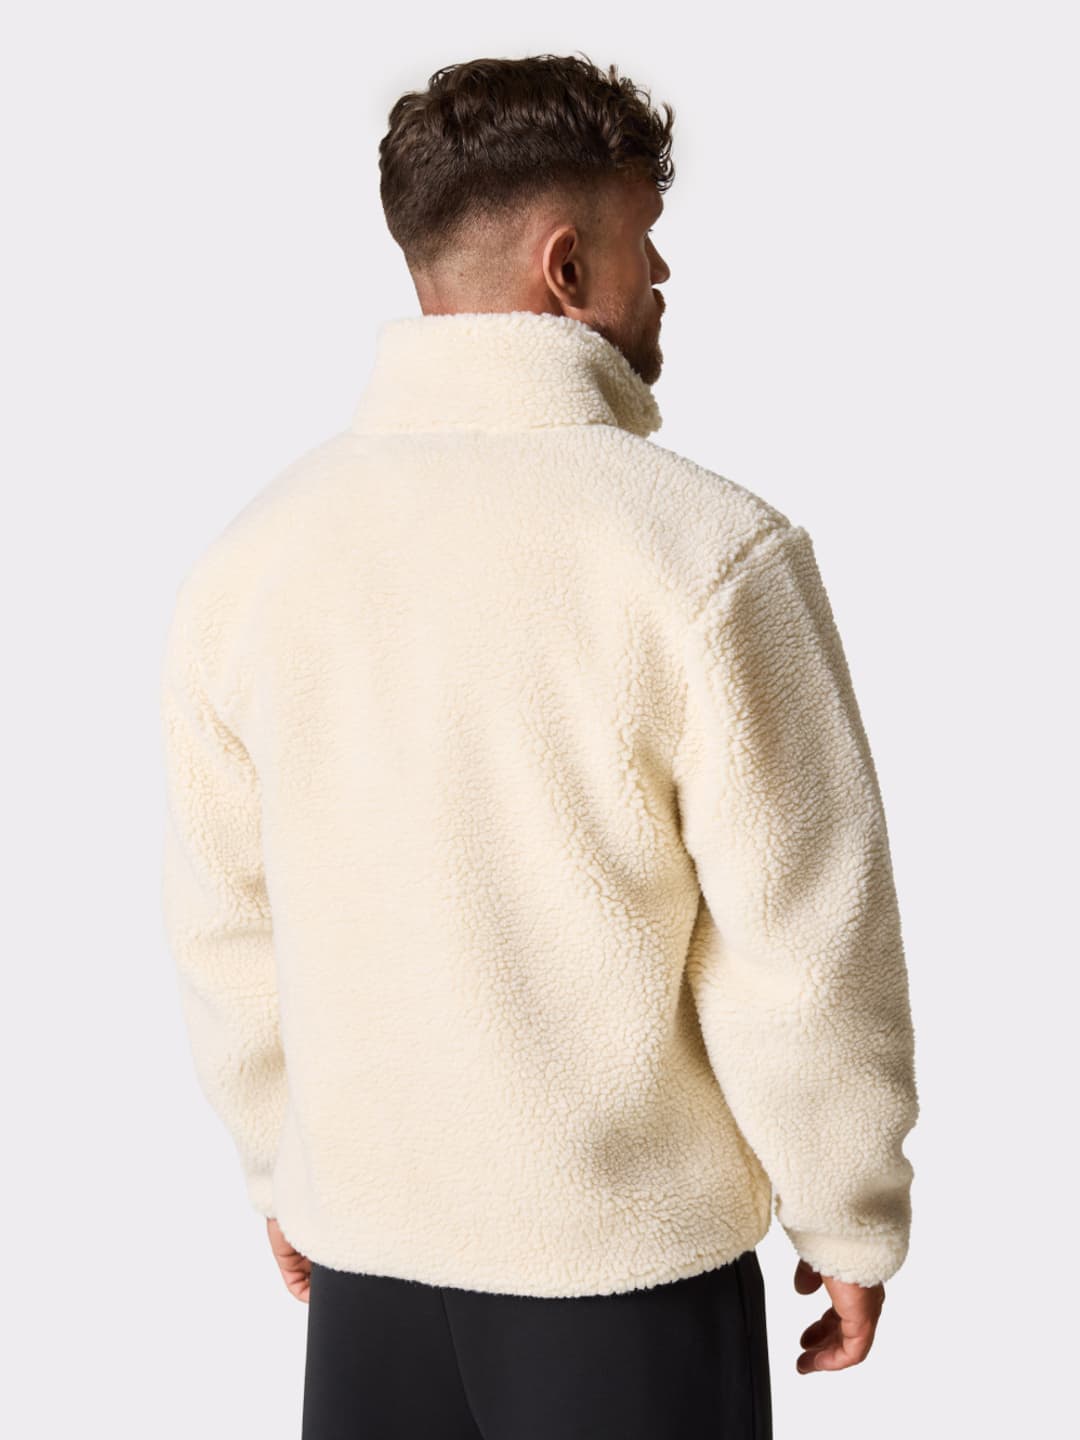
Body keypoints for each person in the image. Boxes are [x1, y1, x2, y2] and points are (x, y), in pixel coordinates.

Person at [159, 51, 919, 1440]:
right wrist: (847, 1207)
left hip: (366, 1271)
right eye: (644, 242)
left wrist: (281, 1162)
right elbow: (805, 935)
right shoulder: (707, 556)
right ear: (566, 268)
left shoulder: (255, 561)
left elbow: (225, 925)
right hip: (622, 1282)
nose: (664, 276)